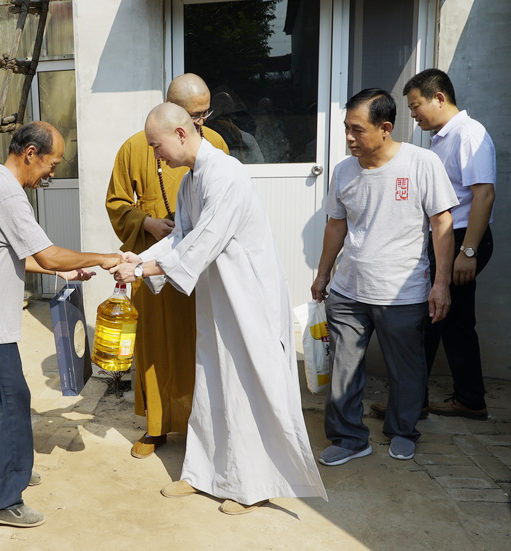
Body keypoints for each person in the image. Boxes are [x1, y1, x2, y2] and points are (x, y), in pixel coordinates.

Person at [111, 103, 326, 515]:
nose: (155, 155)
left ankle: (252, 485)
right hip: (217, 298)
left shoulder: (226, 173)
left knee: (247, 387)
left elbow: (204, 242)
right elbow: (182, 238)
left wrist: (144, 268)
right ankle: (203, 473)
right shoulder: (191, 182)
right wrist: (137, 261)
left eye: (156, 146)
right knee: (212, 380)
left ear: (179, 133)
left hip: (249, 297)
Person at [0, 121, 121, 528]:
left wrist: (62, 274)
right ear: (30, 154)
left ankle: (1, 470)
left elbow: (14, 254)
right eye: (51, 163)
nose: (52, 172)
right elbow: (51, 253)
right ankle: (0, 500)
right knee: (11, 400)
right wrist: (103, 258)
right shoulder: (6, 194)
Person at [312, 88, 458, 466]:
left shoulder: (421, 163)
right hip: (348, 289)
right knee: (343, 368)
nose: (348, 137)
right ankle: (348, 438)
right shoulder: (344, 171)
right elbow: (335, 225)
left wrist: (440, 284)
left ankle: (403, 430)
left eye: (357, 129)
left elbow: (442, 224)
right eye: (346, 128)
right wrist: (323, 273)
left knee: (406, 368)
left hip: (401, 292)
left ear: (386, 127)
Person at [104, 74, 229, 459]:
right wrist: (147, 223)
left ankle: (202, 424)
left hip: (198, 266)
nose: (201, 122)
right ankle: (156, 426)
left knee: (200, 345)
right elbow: (116, 202)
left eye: (206, 113)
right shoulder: (135, 148)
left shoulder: (217, 146)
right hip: (155, 260)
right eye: (195, 114)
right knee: (156, 348)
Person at [395, 68, 496, 420]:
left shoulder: (469, 134)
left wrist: (467, 252)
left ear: (439, 98)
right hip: (450, 238)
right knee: (454, 321)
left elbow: (483, 194)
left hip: (463, 238)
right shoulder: (443, 137)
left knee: (430, 318)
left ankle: (410, 403)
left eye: (416, 105)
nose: (413, 114)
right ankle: (469, 399)